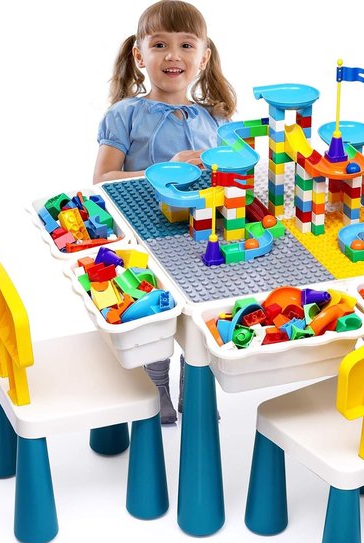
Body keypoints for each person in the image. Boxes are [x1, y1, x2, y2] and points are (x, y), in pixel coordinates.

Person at [93, 0, 236, 423]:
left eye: (186, 45)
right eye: (160, 44)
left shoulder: (216, 117)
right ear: (139, 56)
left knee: (203, 313)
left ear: (203, 57)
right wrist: (167, 169)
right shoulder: (125, 114)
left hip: (202, 235)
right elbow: (102, 179)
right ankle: (155, 385)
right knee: (154, 312)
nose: (173, 55)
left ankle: (195, 386)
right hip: (144, 235)